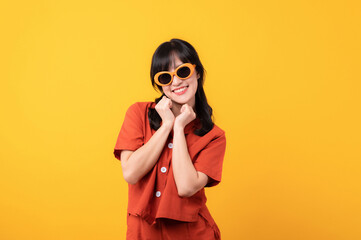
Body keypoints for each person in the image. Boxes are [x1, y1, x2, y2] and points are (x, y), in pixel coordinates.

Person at [113, 38, 227, 240]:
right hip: (142, 233)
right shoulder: (138, 113)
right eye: (165, 77)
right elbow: (130, 173)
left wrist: (179, 125)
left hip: (192, 234)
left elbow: (186, 187)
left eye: (183, 72)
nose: (176, 82)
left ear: (197, 72)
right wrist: (166, 125)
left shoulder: (213, 136)